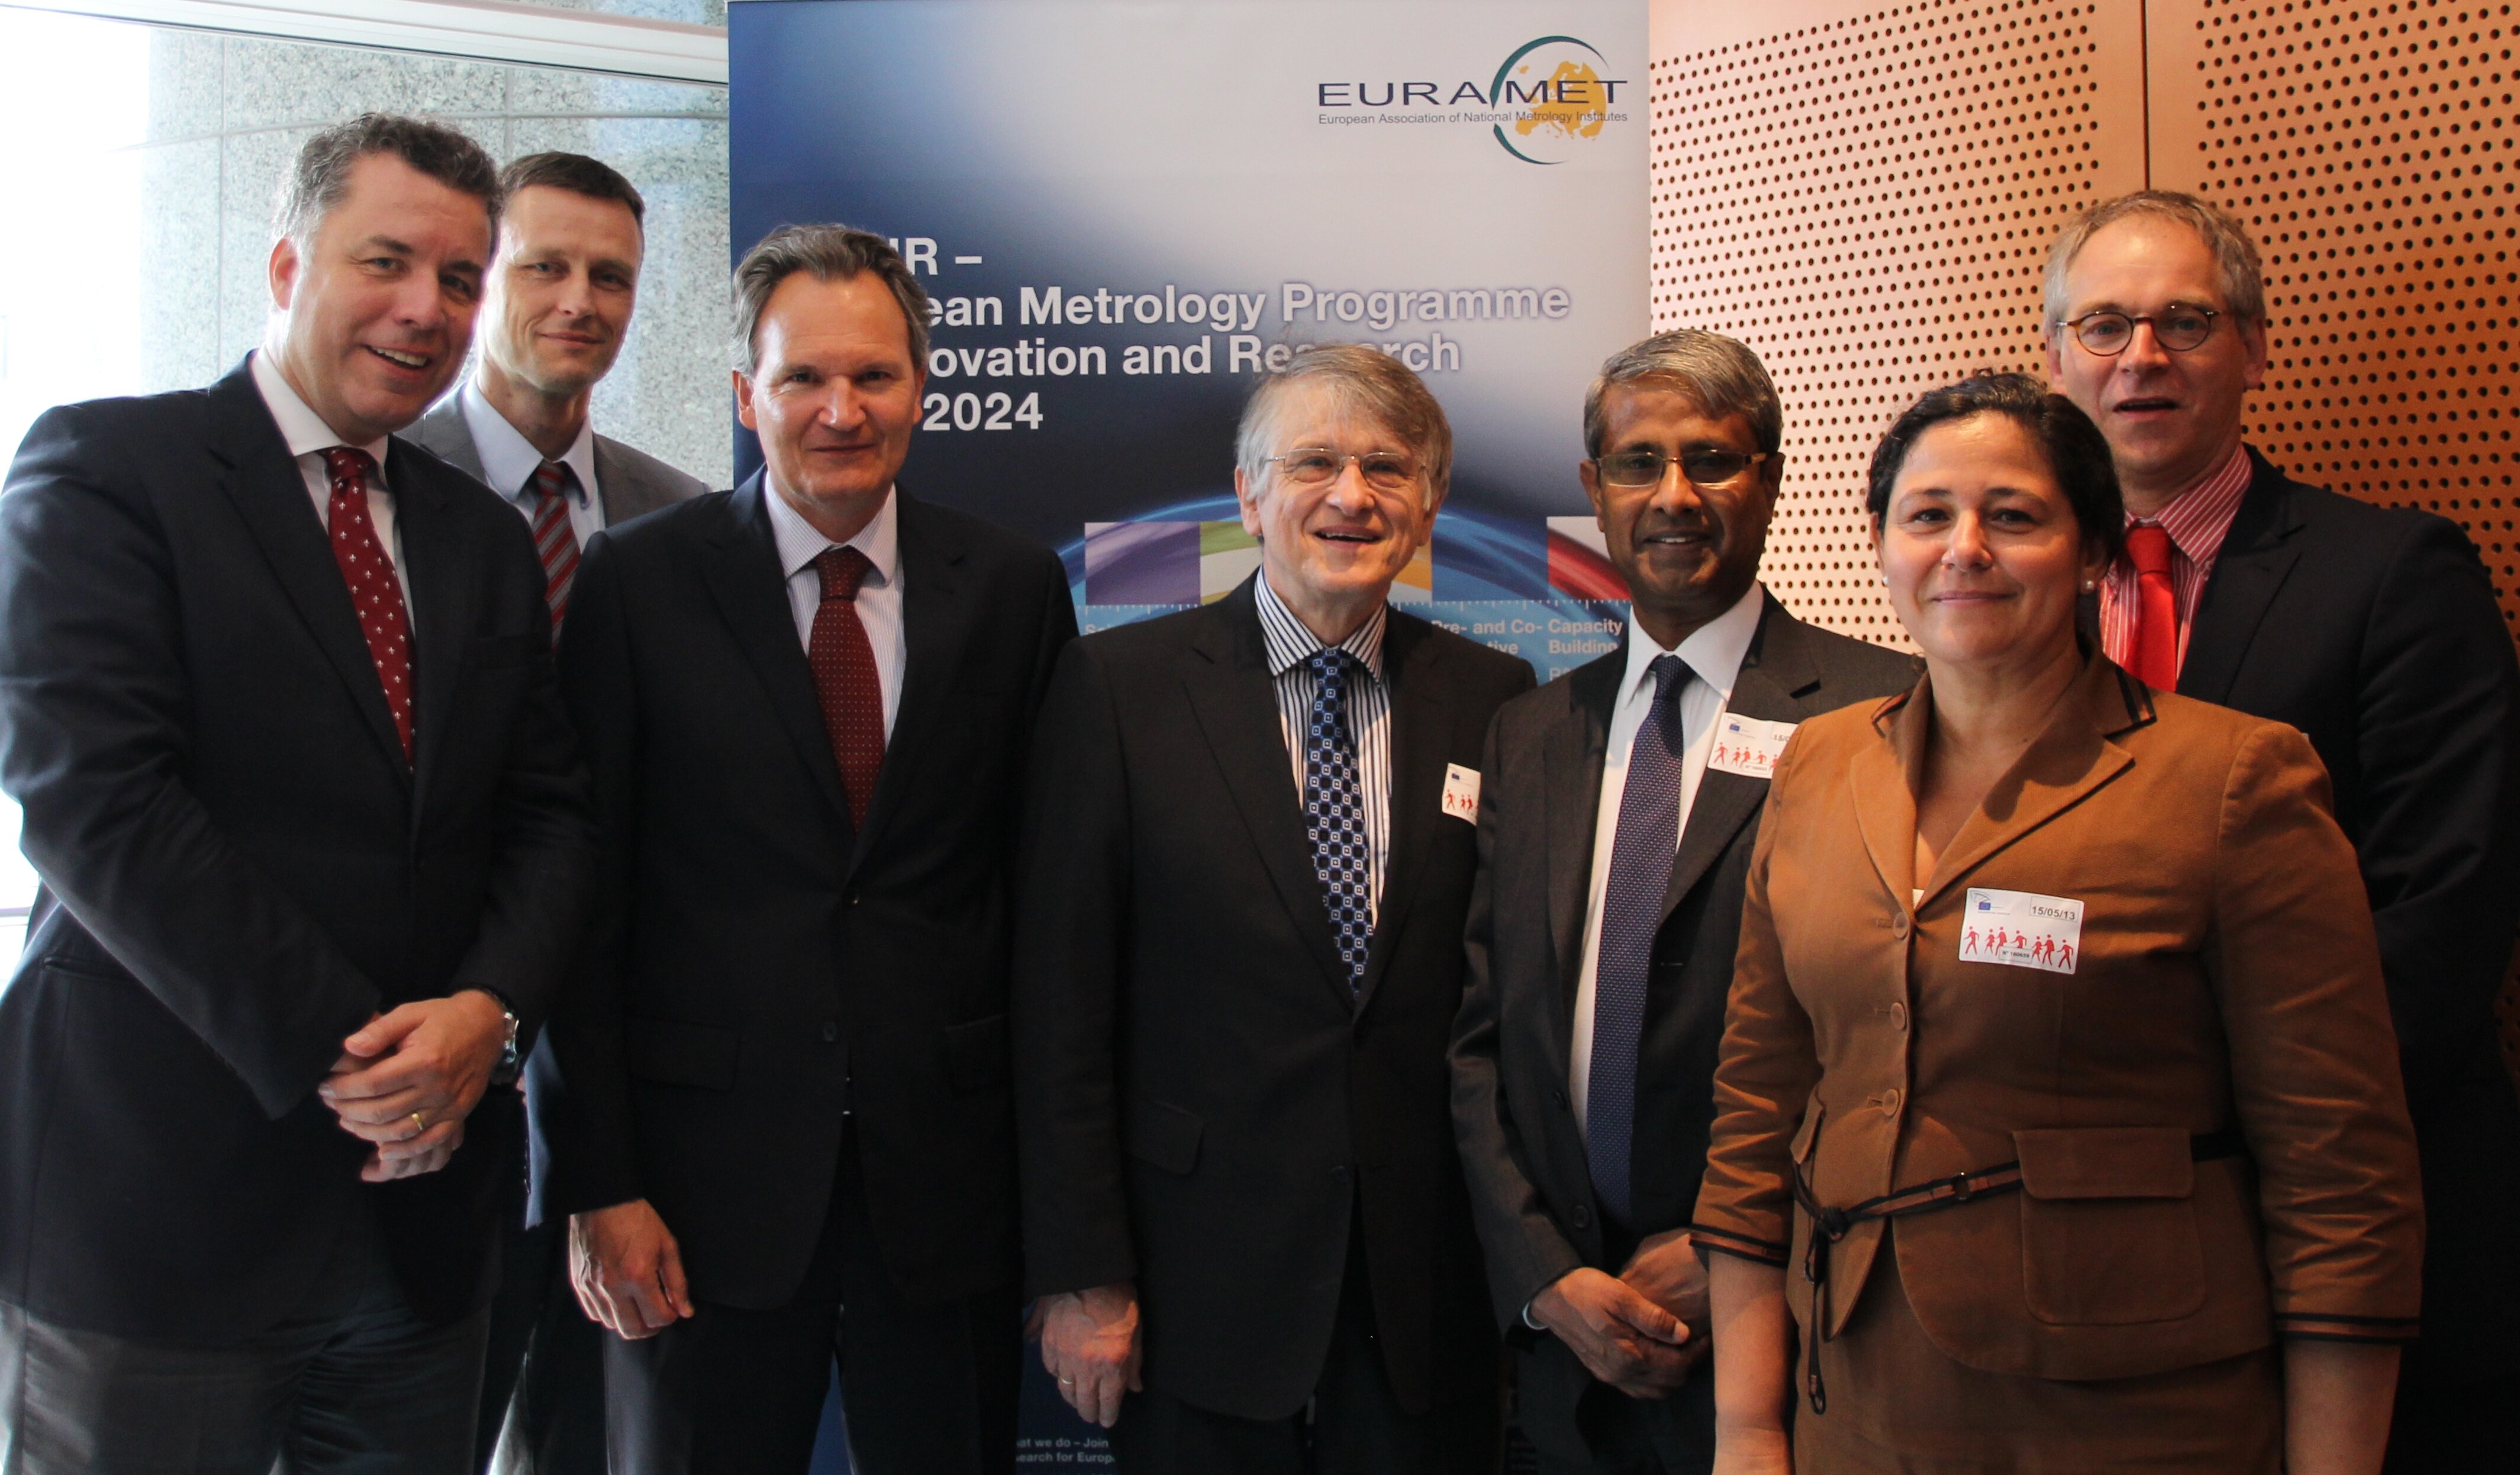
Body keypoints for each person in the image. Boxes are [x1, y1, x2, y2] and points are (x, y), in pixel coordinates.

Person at [0, 113, 595, 1472]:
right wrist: (372, 1065)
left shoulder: (482, 537)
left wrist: (491, 1016)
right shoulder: (109, 470)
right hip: (161, 1213)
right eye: (385, 261)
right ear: (285, 265)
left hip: (421, 1239)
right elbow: (97, 802)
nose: (425, 307)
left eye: (459, 278)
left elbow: (550, 816)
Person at [1694, 373, 2424, 1474]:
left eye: (2013, 516)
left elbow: (2339, 1174)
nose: (1964, 549)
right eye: (1926, 515)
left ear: (2091, 554)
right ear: (1881, 546)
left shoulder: (2232, 779)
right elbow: (1757, 1108)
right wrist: (1748, 1431)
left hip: (2136, 1422)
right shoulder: (1817, 764)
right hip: (1853, 1403)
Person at [529, 223, 1075, 1475]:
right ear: (745, 394)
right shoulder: (635, 584)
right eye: (803, 378)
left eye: (874, 375)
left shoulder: (1009, 589)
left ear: (921, 389)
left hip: (945, 1192)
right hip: (691, 1201)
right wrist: (597, 1184)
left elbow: (1046, 903)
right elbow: (582, 905)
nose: (841, 410)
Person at [2041, 191, 2520, 1467]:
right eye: (2103, 325)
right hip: (2089, 1252)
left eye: (2184, 322)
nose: (2140, 357)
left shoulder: (2394, 576)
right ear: (2056, 361)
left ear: (2253, 345)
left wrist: (2187, 1136)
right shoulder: (2014, 596)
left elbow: (2442, 913)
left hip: (2350, 1232)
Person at [1016, 346, 1534, 1473]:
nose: (1353, 495)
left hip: (1422, 1290)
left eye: (1387, 467)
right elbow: (1059, 1011)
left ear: (1428, 503)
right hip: (1191, 1282)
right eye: (1313, 463)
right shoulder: (1119, 690)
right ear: (1249, 497)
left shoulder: (1493, 699)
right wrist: (1082, 1273)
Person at [1448, 330, 1916, 1475]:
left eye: (1709, 460)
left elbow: (1902, 1039)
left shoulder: (1884, 710)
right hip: (1565, 1355)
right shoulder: (1528, 732)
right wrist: (1544, 1275)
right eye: (1636, 463)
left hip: (1793, 1339)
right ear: (1592, 489)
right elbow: (1479, 1035)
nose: (1672, 496)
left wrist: (1738, 1244)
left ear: (1768, 479)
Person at [402, 148, 705, 1475]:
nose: (580, 299)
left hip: (626, 1096)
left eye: (611, 276)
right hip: (423, 1069)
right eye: (544, 266)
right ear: (482, 280)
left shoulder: (683, 518)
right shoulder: (372, 487)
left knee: (588, 1444)